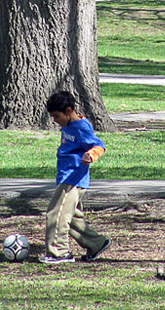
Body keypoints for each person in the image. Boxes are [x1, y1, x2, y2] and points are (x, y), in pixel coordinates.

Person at [40, 90, 112, 264]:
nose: (55, 121)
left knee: (56, 214)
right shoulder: (68, 126)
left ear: (68, 110)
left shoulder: (81, 127)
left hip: (73, 179)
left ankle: (59, 252)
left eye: (57, 116)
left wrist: (91, 155)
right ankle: (96, 243)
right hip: (66, 177)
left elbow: (99, 145)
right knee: (71, 218)